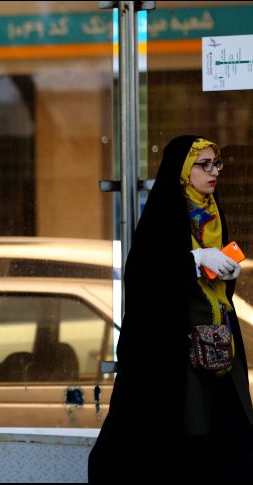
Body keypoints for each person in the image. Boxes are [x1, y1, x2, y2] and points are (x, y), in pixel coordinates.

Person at [88, 136, 253, 483]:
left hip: (219, 343)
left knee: (229, 432)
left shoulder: (212, 210)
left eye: (216, 164)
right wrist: (193, 260)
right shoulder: (165, 213)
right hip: (175, 352)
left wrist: (226, 270)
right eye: (204, 165)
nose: (214, 172)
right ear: (183, 170)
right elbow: (144, 279)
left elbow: (214, 277)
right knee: (181, 437)